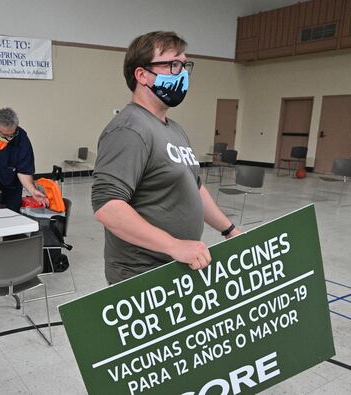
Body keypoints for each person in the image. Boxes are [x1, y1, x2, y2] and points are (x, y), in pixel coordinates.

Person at [91, 31, 241, 284]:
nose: (181, 72)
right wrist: (174, 245)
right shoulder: (129, 129)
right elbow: (107, 207)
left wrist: (229, 230)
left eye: (184, 65)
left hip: (177, 268)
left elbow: (193, 186)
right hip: (142, 275)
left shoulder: (174, 129)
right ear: (142, 75)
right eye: (173, 64)